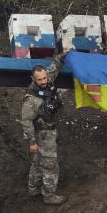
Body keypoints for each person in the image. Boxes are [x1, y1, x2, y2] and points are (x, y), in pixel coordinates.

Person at [21, 57, 67, 205]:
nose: (43, 81)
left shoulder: (49, 79)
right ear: (33, 79)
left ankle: (33, 188)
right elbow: (26, 121)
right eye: (39, 80)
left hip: (49, 129)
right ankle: (49, 195)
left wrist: (63, 55)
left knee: (37, 162)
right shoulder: (31, 99)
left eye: (44, 78)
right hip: (42, 133)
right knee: (50, 164)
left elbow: (55, 66)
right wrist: (32, 142)